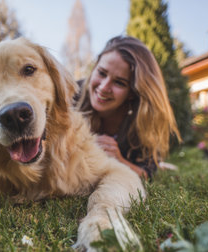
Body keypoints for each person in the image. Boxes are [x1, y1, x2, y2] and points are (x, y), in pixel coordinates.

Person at [76, 35, 181, 179]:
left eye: (119, 82)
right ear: (94, 68)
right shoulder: (71, 94)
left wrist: (118, 159)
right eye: (101, 73)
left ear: (132, 92)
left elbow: (147, 174)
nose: (104, 87)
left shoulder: (142, 119)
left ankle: (162, 164)